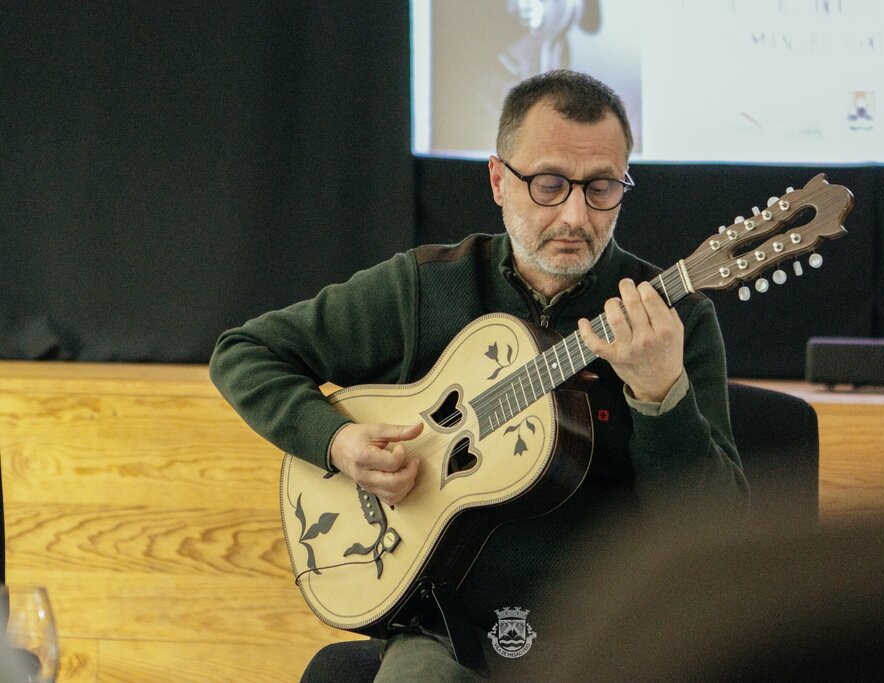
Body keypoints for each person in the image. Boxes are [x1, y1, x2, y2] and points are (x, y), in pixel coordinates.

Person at [209, 69, 747, 681]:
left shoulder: (673, 320)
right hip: (447, 627)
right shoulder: (427, 286)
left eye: (601, 187)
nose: (576, 215)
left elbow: (719, 530)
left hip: (609, 633)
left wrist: (661, 396)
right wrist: (336, 442)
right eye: (549, 184)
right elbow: (245, 353)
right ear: (498, 180)